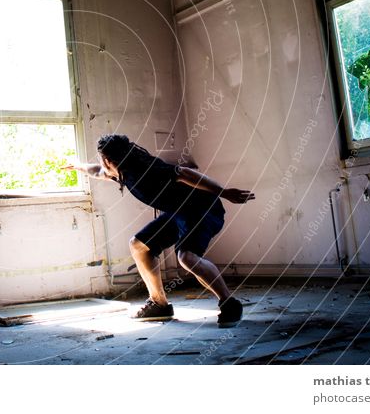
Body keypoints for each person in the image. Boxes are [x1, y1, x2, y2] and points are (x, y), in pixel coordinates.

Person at [64, 134, 255, 328]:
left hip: (202, 209)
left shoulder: (145, 169)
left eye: (101, 159)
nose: (101, 164)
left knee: (187, 257)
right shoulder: (121, 171)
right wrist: (77, 165)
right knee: (139, 245)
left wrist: (223, 192)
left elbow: (183, 173)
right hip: (178, 212)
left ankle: (229, 304)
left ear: (107, 160)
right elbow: (97, 172)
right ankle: (159, 304)